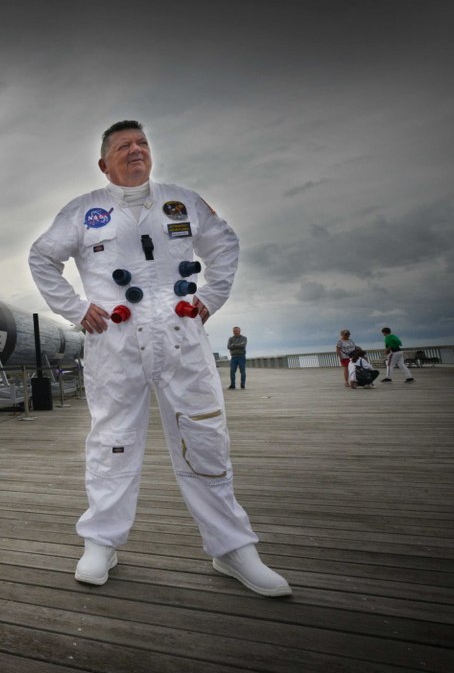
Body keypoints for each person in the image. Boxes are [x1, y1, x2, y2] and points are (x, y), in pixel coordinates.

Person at [29, 120, 290, 597]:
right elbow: (43, 257)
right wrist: (75, 308)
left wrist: (209, 297)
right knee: (112, 440)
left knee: (205, 435)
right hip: (115, 342)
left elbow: (224, 243)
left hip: (181, 339)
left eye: (142, 143)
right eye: (124, 146)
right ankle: (101, 541)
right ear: (103, 163)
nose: (136, 150)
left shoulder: (182, 201)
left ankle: (232, 547)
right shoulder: (84, 212)